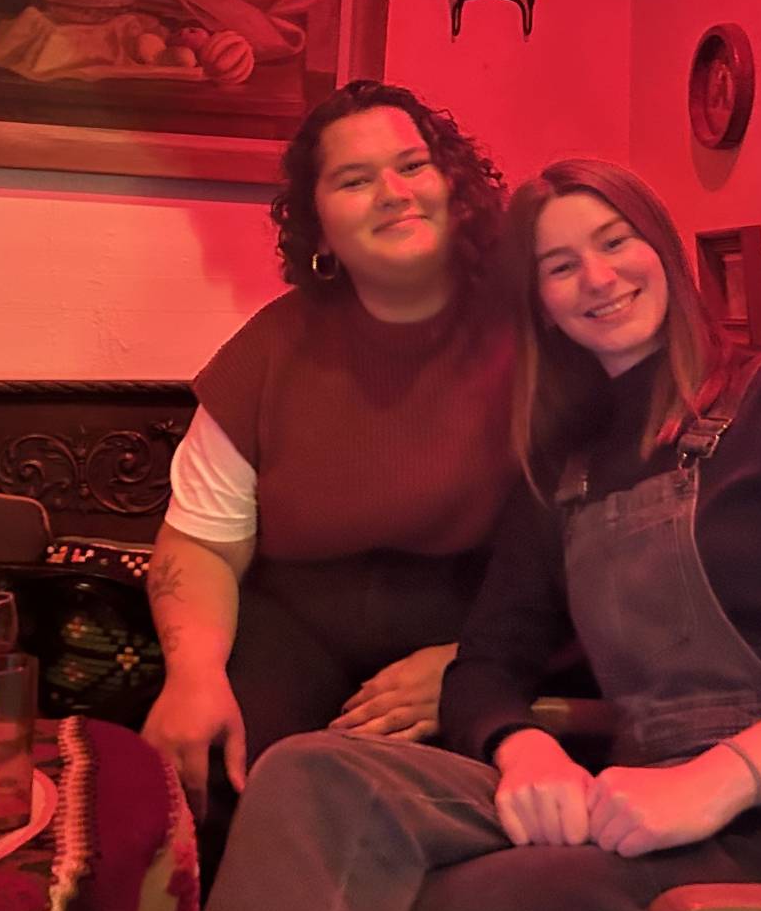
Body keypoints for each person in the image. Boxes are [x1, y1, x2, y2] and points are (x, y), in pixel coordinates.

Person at [153, 158, 761, 911]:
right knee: (313, 772)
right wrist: (523, 746)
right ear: (539, 304)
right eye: (559, 266)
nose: (597, 278)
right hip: (639, 812)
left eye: (615, 241)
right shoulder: (567, 472)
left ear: (662, 247)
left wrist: (720, 780)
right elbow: (485, 665)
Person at [140, 80, 515, 851]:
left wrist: (476, 662)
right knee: (228, 783)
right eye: (354, 179)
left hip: (482, 627)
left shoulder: (534, 334)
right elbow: (201, 544)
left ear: (454, 185)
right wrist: (194, 676)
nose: (393, 193)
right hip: (295, 627)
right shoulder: (270, 349)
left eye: (413, 165)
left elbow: (599, 548)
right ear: (318, 224)